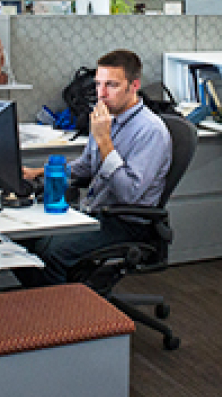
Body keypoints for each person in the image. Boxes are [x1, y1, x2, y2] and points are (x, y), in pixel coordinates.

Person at [21, 49, 172, 285]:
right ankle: (57, 306)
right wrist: (38, 172)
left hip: (127, 222)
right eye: (98, 84)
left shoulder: (151, 131)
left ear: (134, 86)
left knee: (51, 254)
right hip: (95, 211)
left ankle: (67, 317)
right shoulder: (105, 116)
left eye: (111, 85)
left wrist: (104, 141)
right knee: (27, 240)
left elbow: (128, 194)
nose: (101, 94)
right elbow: (86, 166)